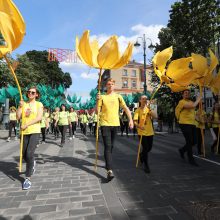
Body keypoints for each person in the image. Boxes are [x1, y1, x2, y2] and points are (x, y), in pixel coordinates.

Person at [96, 78, 133, 181]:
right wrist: (97, 101)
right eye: (108, 84)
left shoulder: (118, 96)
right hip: (105, 124)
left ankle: (108, 162)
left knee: (111, 146)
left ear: (114, 86)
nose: (110, 85)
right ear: (106, 86)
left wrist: (131, 120)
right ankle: (109, 170)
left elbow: (126, 108)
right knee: (107, 146)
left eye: (112, 84)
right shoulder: (102, 97)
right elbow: (96, 112)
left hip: (115, 124)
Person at [17, 86, 43, 190]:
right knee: (24, 155)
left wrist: (27, 124)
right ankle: (32, 163)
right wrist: (19, 107)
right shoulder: (24, 104)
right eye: (29, 92)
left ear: (36, 95)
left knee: (29, 153)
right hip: (24, 132)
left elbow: (39, 117)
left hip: (34, 131)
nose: (30, 94)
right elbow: (18, 117)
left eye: (33, 92)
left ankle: (27, 178)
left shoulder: (38, 104)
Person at [175, 90, 202, 166]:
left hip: (192, 124)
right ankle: (191, 159)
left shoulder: (191, 101)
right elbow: (193, 106)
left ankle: (182, 150)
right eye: (185, 93)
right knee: (189, 141)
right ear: (182, 95)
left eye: (188, 93)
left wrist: (199, 119)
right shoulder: (182, 102)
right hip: (184, 124)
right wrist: (198, 99)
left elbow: (193, 113)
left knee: (194, 141)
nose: (187, 94)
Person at [133, 95, 157, 173]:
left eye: (146, 99)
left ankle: (141, 155)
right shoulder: (138, 110)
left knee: (149, 148)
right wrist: (139, 126)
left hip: (150, 132)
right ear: (140, 100)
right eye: (143, 99)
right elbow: (135, 122)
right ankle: (146, 165)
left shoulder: (149, 109)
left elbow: (155, 116)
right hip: (142, 132)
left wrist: (150, 109)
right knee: (146, 148)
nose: (145, 100)